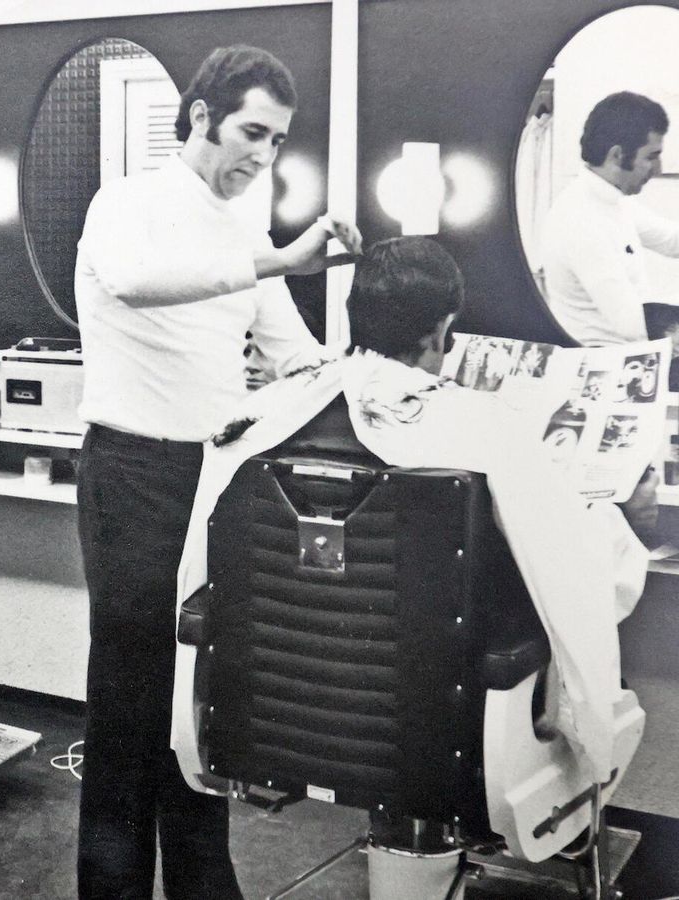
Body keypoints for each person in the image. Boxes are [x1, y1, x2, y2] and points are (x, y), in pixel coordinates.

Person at [175, 237, 653, 792]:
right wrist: (625, 521)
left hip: (282, 715)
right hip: (442, 736)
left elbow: (200, 573)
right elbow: (580, 570)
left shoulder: (257, 419)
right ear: (441, 330)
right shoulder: (482, 427)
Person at [71, 44, 362, 899]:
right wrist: (278, 261)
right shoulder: (127, 204)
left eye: (276, 142)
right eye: (251, 133)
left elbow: (298, 360)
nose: (262, 156)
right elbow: (132, 281)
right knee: (129, 707)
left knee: (201, 708)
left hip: (213, 486)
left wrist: (390, 373)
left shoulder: (245, 233)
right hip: (129, 474)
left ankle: (206, 888)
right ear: (201, 117)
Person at [541, 91, 679, 345]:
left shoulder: (612, 201)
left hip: (632, 354)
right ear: (616, 155)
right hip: (603, 368)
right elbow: (630, 321)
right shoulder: (580, 219)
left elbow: (672, 241)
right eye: (651, 156)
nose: (658, 169)